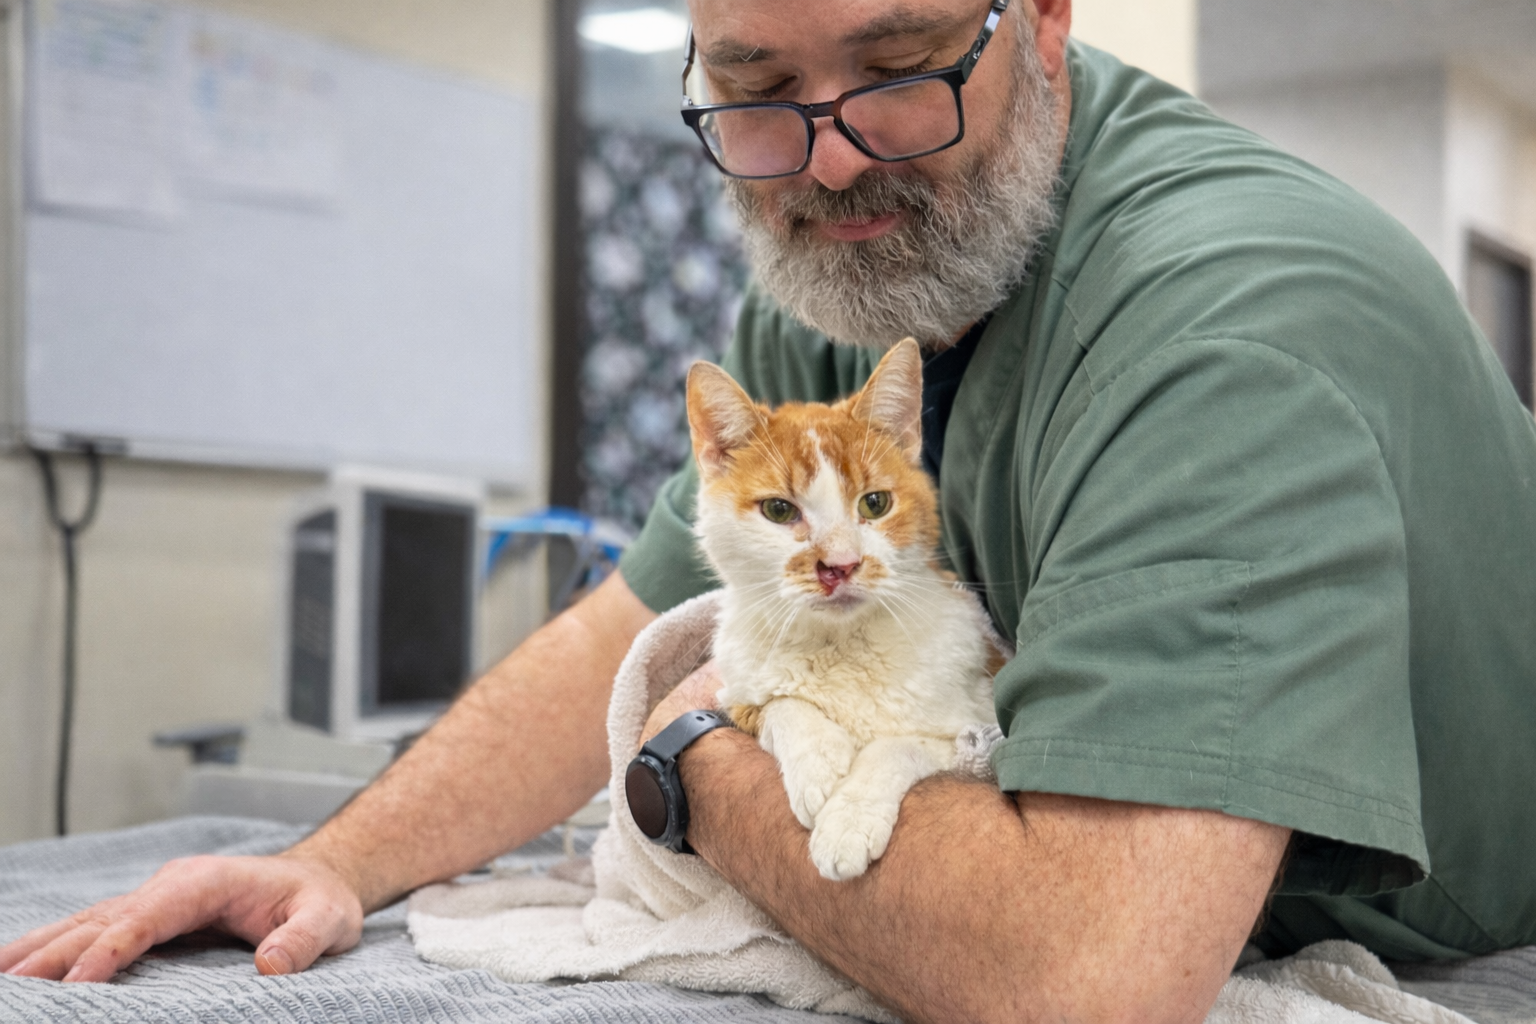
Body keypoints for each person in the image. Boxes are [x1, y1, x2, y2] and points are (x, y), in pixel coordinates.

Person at [5, 0, 1535, 1020]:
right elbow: (640, 617)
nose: (830, 153)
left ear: (1046, 17)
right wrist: (340, 860)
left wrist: (690, 769)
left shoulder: (1224, 336)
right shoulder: (849, 269)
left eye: (900, 67)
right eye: (752, 92)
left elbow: (1090, 982)